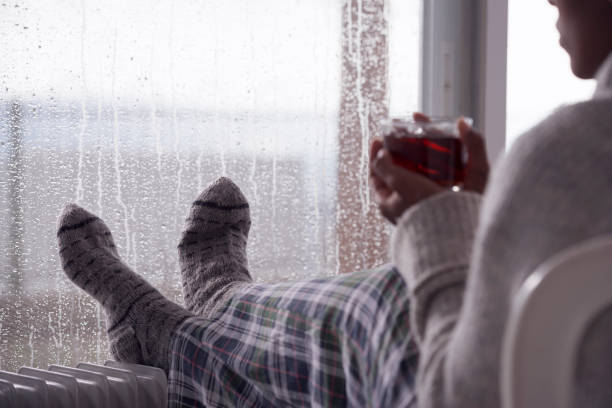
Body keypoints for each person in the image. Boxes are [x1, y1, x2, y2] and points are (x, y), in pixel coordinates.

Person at [55, 0, 612, 406]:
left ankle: (182, 335)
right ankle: (220, 305)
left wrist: (435, 219)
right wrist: (496, 219)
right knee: (395, 295)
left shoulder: (577, 150)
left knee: (392, 307)